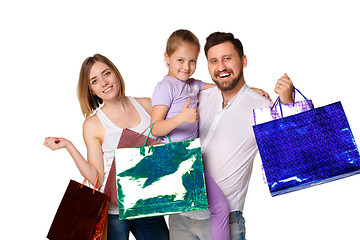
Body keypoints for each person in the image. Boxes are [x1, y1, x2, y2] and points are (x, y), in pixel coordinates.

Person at [168, 32, 294, 240]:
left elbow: (289, 151)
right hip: (181, 215)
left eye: (227, 58)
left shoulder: (261, 108)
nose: (221, 67)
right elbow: (162, 104)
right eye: (214, 61)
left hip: (225, 220)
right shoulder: (198, 97)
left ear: (243, 61)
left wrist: (287, 103)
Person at [43, 54, 169, 240]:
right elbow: (97, 178)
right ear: (91, 90)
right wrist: (69, 146)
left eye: (106, 73)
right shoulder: (93, 124)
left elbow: (169, 144)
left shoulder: (147, 105)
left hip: (147, 205)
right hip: (114, 211)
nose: (103, 82)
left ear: (115, 74)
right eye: (94, 81)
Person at [150, 29, 231, 240]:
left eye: (192, 61)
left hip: (190, 158)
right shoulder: (165, 87)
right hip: (175, 159)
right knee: (220, 208)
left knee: (218, 208)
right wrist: (181, 118)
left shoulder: (192, 84)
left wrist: (251, 90)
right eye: (180, 60)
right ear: (167, 58)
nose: (186, 67)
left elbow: (222, 88)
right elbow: (154, 128)